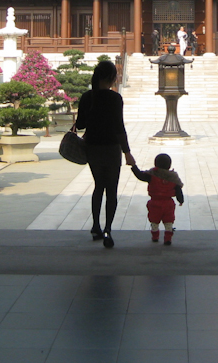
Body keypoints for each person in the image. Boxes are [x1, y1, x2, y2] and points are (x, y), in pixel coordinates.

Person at [75, 60, 136, 248]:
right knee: (111, 190)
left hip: (92, 147)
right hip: (111, 148)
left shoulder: (87, 97)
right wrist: (127, 152)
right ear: (111, 78)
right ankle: (108, 229)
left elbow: (80, 125)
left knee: (98, 186)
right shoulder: (114, 99)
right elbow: (119, 128)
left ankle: (95, 226)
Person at [130, 153, 184, 245]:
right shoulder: (173, 177)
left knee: (154, 220)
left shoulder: (151, 175)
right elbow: (178, 190)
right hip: (168, 204)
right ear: (169, 165)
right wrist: (180, 200)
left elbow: (140, 175)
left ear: (155, 164)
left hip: (154, 202)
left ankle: (155, 237)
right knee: (168, 221)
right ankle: (168, 239)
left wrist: (133, 166)